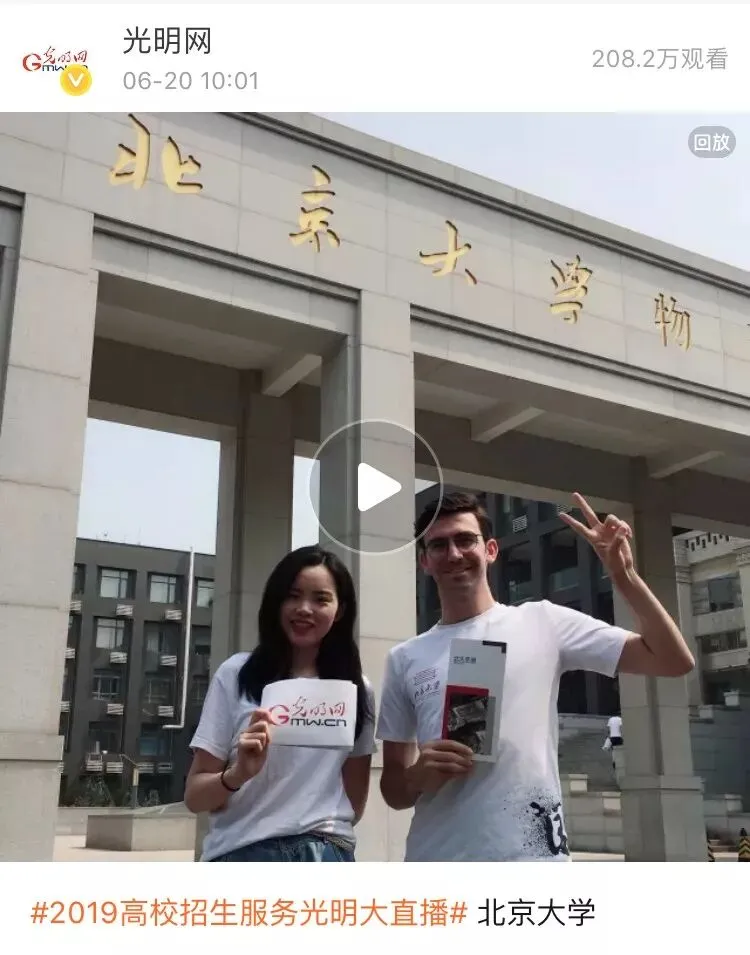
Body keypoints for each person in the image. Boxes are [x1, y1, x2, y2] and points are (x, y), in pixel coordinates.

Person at [376, 491, 694, 862]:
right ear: (424, 561)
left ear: (491, 549)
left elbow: (672, 660)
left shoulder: (543, 621)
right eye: (438, 545)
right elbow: (393, 790)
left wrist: (625, 577)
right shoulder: (405, 658)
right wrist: (416, 776)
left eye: (465, 540)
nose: (454, 554)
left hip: (533, 859)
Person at [185, 545, 376, 862]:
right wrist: (238, 774)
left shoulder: (357, 690)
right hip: (243, 853)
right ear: (276, 602)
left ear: (340, 610)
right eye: (292, 595)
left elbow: (354, 803)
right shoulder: (236, 674)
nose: (304, 609)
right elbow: (194, 797)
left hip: (325, 853)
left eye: (321, 599)